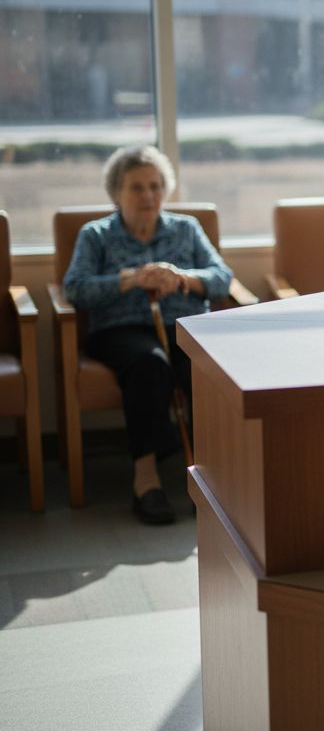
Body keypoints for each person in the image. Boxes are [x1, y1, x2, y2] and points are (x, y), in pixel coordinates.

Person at [63, 145, 233, 525]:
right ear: (116, 193)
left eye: (155, 186)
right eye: (137, 187)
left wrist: (183, 278)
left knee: (205, 368)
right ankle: (147, 479)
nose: (148, 196)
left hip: (186, 326)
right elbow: (75, 288)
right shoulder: (97, 235)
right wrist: (128, 280)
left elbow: (222, 278)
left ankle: (209, 478)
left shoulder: (185, 229)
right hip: (121, 331)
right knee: (148, 365)